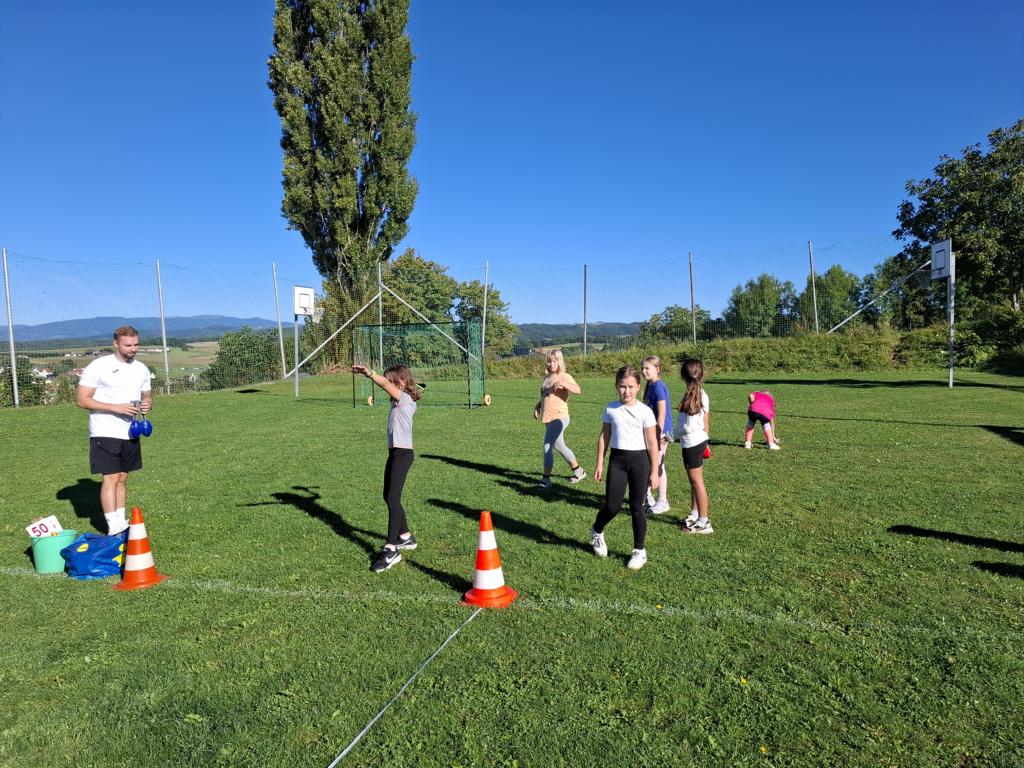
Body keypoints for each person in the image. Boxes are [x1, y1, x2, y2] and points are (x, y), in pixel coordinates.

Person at [75, 325, 153, 535]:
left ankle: (120, 521)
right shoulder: (99, 366)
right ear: (116, 344)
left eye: (136, 344)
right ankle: (112, 527)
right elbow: (82, 400)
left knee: (123, 478)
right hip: (105, 430)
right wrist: (115, 408)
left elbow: (147, 395)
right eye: (128, 345)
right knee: (111, 478)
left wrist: (147, 403)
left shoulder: (141, 369)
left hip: (131, 431)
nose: (133, 349)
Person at [352, 364, 422, 573]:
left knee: (392, 499)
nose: (389, 385)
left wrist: (370, 374)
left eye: (392, 381)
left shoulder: (405, 399)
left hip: (403, 454)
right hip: (395, 453)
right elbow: (387, 385)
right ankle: (405, 537)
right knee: (388, 496)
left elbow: (383, 384)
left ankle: (391, 549)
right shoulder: (398, 401)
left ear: (402, 382)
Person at [590, 365, 661, 571]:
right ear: (616, 386)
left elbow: (652, 443)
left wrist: (654, 471)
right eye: (622, 386)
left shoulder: (645, 411)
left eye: (630, 387)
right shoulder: (611, 409)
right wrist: (600, 462)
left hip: (639, 462)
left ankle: (639, 551)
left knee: (637, 507)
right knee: (612, 506)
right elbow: (604, 437)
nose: (626, 391)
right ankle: (597, 531)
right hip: (618, 461)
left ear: (638, 387)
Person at [535, 349, 586, 488]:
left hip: (559, 417)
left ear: (559, 362)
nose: (551, 364)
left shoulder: (564, 376)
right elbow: (545, 396)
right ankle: (579, 471)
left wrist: (564, 384)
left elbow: (578, 390)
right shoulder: (547, 378)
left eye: (554, 361)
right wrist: (538, 406)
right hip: (548, 418)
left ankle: (546, 479)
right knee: (560, 446)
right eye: (549, 361)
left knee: (547, 446)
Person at [674, 358, 713, 534]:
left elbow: (687, 427)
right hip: (699, 442)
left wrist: (670, 436)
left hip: (692, 444)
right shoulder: (701, 393)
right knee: (694, 481)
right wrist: (706, 441)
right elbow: (706, 422)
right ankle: (695, 514)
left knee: (697, 482)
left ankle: (704, 522)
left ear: (682, 375)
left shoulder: (692, 395)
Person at [641, 355, 673, 514]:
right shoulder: (649, 385)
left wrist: (659, 434)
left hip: (661, 432)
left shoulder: (659, 387)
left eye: (647, 368)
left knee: (658, 464)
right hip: (651, 431)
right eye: (642, 368)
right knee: (650, 462)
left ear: (657, 369)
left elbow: (662, 412)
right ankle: (648, 497)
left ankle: (662, 501)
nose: (643, 371)